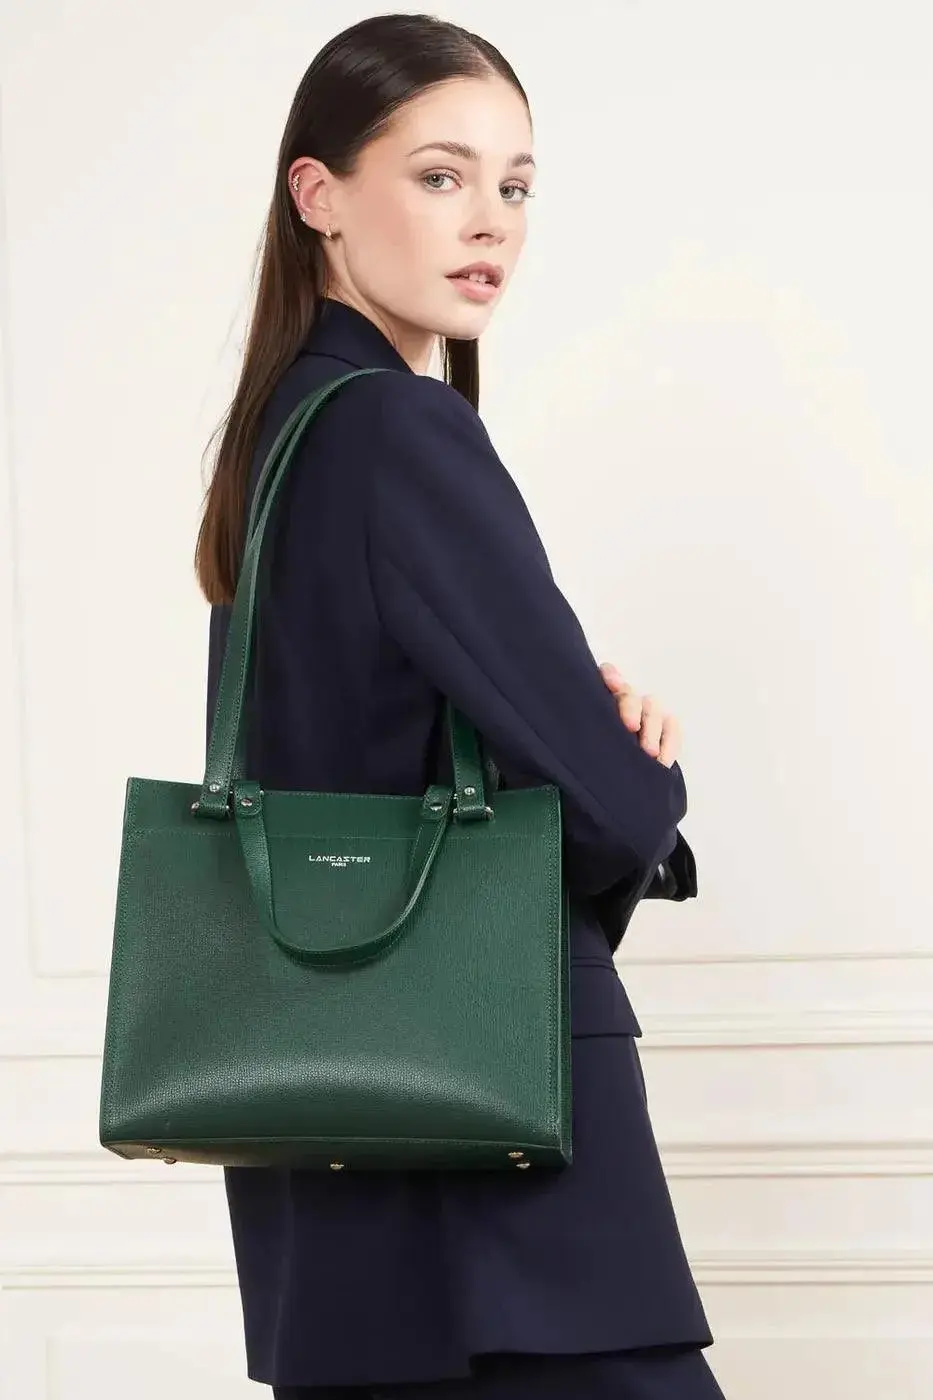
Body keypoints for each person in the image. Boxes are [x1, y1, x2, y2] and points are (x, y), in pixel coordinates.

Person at [195, 13, 725, 1400]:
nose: (492, 220)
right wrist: (636, 766)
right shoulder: (398, 428)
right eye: (441, 175)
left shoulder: (279, 443)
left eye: (516, 184)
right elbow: (619, 808)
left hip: (331, 1169)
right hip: (507, 1177)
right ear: (318, 195)